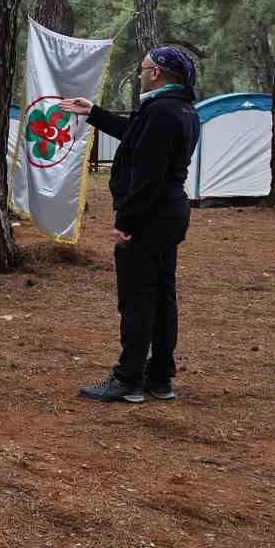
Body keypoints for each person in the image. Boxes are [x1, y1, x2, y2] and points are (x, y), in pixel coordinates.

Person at [62, 47, 200, 404]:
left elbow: (148, 174)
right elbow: (136, 135)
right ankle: (160, 377)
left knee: (137, 298)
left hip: (150, 216)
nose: (139, 74)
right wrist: (93, 113)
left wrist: (126, 221)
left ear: (156, 73)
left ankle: (128, 379)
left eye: (143, 68)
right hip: (170, 213)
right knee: (162, 295)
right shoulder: (181, 108)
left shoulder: (162, 111)